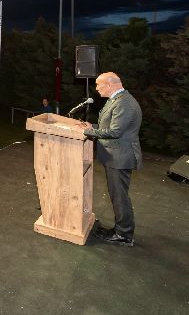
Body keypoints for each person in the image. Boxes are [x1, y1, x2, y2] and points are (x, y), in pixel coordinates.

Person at [74, 72, 142, 247]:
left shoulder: (124, 103)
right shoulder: (117, 100)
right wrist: (93, 126)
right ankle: (120, 229)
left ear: (110, 85)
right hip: (116, 156)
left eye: (98, 85)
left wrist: (88, 132)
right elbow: (110, 127)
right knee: (117, 195)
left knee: (120, 197)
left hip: (120, 157)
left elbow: (115, 132)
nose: (96, 89)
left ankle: (124, 235)